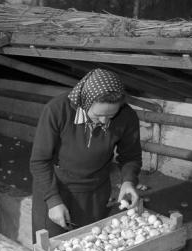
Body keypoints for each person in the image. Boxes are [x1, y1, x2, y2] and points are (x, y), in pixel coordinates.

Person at [30, 68, 142, 241]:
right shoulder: (58, 111)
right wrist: (52, 200)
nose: (105, 121)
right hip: (55, 188)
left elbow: (131, 155)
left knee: (91, 246)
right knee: (52, 250)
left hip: (94, 194)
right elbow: (39, 161)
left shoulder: (127, 116)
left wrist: (128, 181)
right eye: (99, 115)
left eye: (111, 115)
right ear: (85, 102)